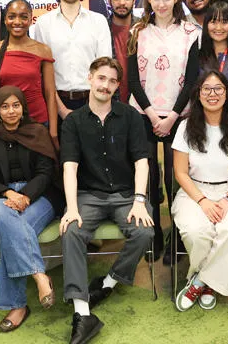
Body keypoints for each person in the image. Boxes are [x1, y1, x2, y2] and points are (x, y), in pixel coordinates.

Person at [60, 57, 154, 344]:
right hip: (88, 195)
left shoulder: (130, 117)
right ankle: (83, 312)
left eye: (113, 81)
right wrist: (72, 208)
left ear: (117, 86)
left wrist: (140, 200)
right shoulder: (74, 121)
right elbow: (69, 167)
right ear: (90, 78)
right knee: (72, 230)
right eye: (101, 78)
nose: (106, 85)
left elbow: (142, 162)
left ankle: (109, 282)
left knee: (144, 231)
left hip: (126, 195)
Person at [127, 0, 201, 260]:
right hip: (143, 114)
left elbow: (193, 78)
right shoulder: (138, 32)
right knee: (147, 178)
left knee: (174, 177)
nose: (161, 3)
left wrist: (171, 116)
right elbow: (133, 80)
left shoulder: (191, 33)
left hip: (178, 116)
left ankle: (176, 237)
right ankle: (154, 232)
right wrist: (152, 115)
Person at [0, 86, 63, 333]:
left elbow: (46, 173)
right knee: (6, 218)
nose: (11, 111)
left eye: (16, 105)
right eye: (5, 106)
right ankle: (39, 275)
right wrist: (9, 193)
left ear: (23, 107)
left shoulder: (38, 132)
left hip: (39, 195)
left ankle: (17, 306)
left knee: (11, 232)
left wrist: (25, 195)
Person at [172, 70, 228, 312]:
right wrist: (203, 201)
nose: (212, 94)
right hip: (194, 191)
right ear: (198, 94)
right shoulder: (185, 127)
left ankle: (200, 281)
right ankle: (210, 281)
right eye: (206, 89)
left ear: (226, 93)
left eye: (218, 88)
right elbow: (180, 173)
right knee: (197, 231)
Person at [34, 0, 112, 120]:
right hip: (56, 103)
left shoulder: (98, 21)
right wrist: (61, 110)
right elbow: (41, 72)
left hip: (93, 102)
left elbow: (105, 68)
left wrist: (93, 107)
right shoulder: (43, 23)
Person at [0, 0, 59, 149]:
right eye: (12, 16)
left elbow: (50, 93)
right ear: (5, 19)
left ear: (31, 19)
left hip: (38, 122)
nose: (17, 22)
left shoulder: (42, 50)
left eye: (23, 17)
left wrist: (53, 132)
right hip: (6, 124)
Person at [106, 0, 139, 101]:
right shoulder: (101, 28)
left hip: (140, 102)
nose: (122, 3)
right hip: (109, 98)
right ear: (109, 0)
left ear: (133, 0)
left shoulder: (143, 28)